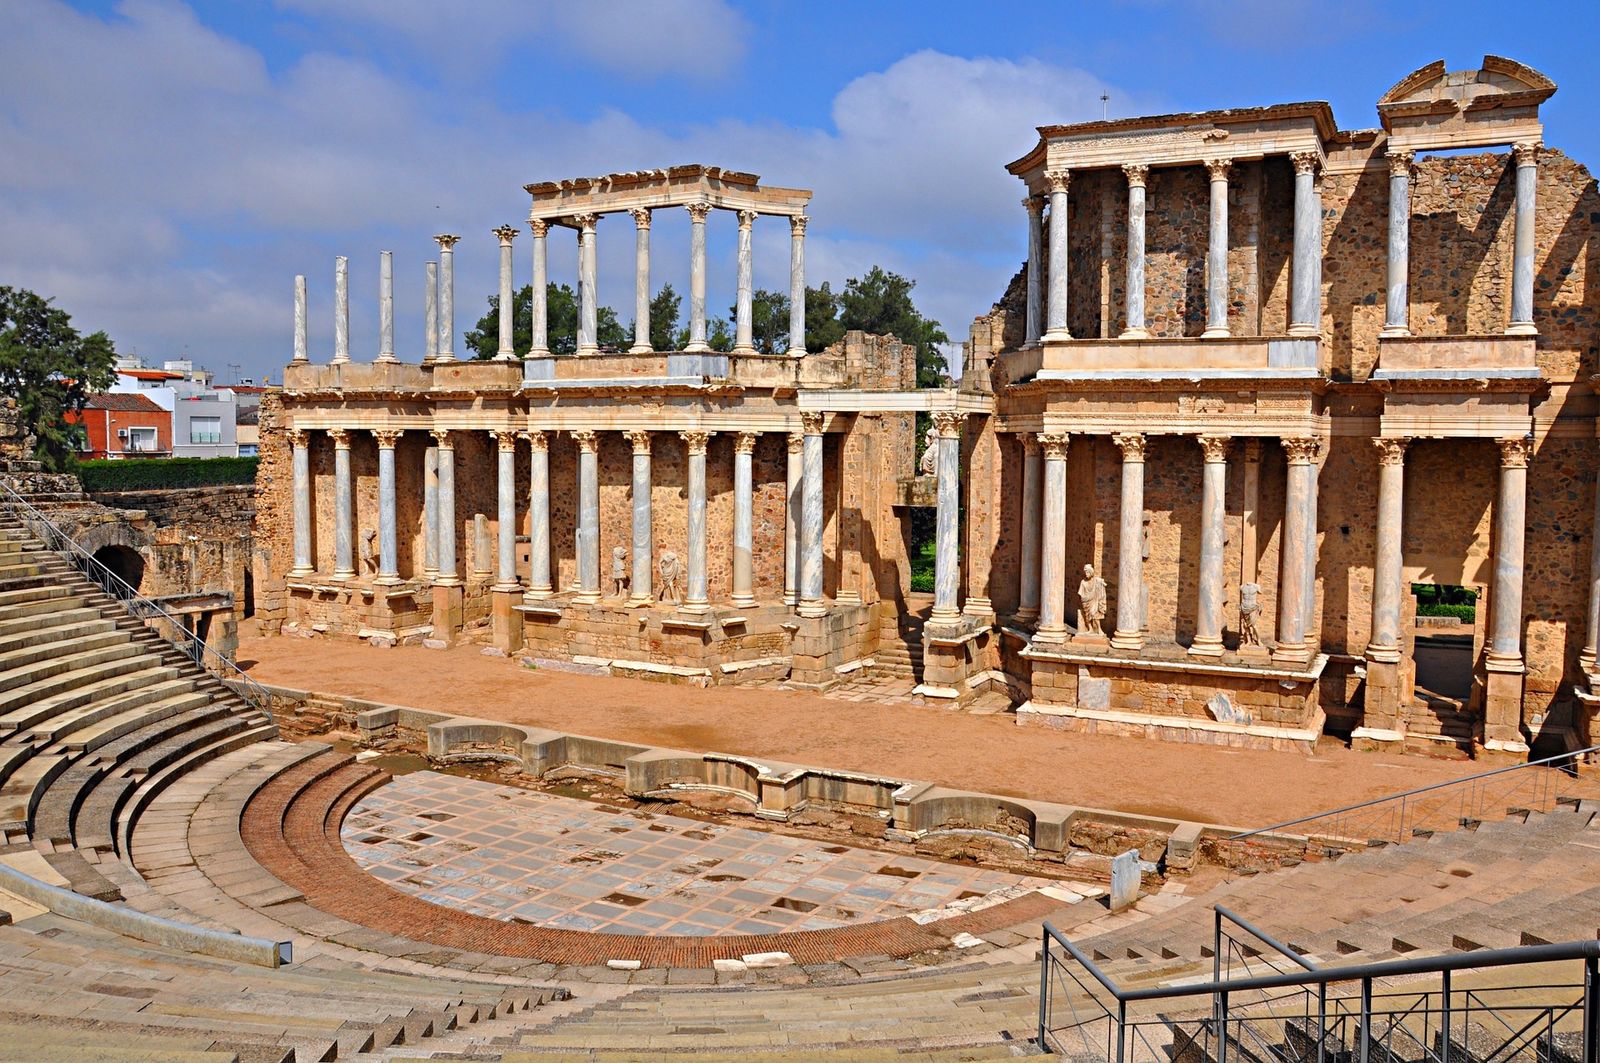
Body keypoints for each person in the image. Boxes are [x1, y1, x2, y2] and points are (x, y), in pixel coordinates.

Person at [1077, 564, 1107, 636]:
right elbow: (1080, 592)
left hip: (1094, 600)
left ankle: (1099, 629)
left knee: (1095, 615)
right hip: (1086, 601)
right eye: (1085, 572)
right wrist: (1083, 598)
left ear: (1091, 572)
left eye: (1087, 572)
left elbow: (1102, 583)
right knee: (1087, 616)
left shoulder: (1096, 581)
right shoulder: (1083, 582)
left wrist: (1102, 583)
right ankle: (1090, 629)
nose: (1086, 574)